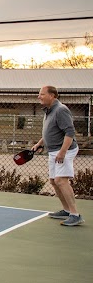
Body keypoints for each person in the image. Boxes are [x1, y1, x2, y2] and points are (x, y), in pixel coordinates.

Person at [33, 86, 82, 226]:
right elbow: (50, 131)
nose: (39, 97)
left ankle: (75, 214)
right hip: (53, 150)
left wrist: (62, 152)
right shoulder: (48, 110)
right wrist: (39, 144)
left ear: (52, 95)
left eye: (42, 94)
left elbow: (70, 132)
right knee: (54, 181)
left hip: (64, 150)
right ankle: (66, 210)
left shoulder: (61, 110)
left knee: (61, 180)